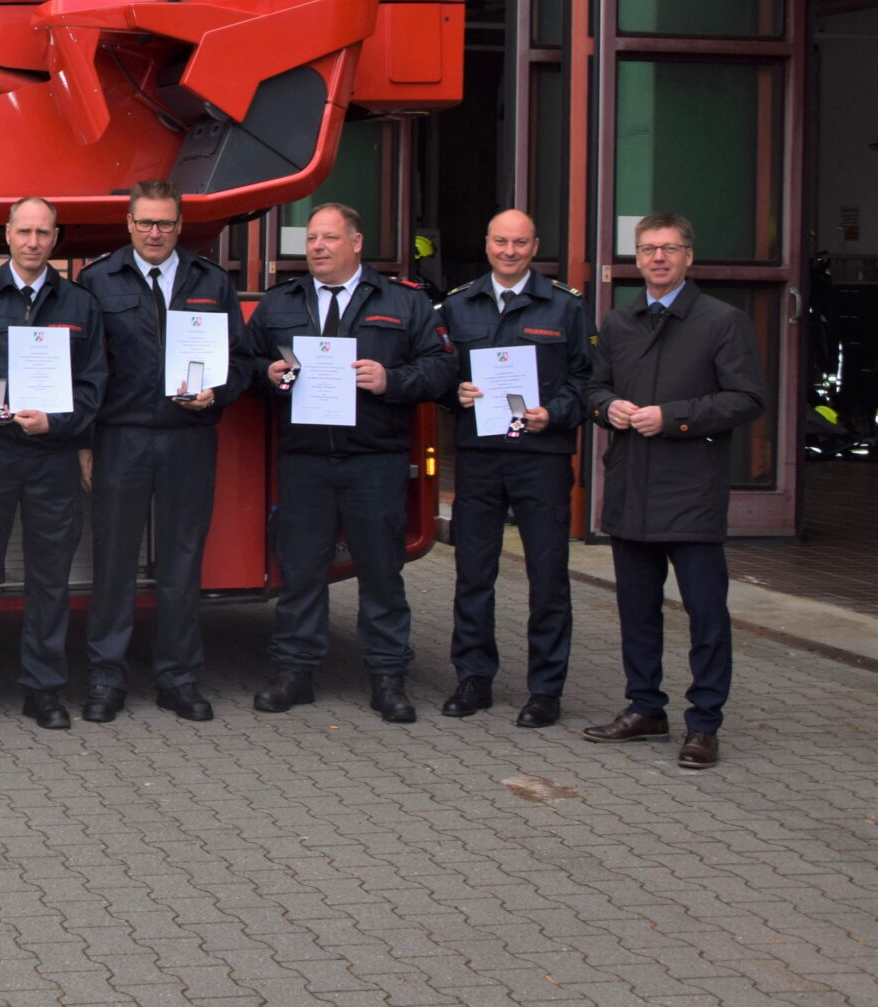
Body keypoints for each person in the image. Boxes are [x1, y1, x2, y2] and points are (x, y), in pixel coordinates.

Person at [256, 202, 455, 723]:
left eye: (329, 238)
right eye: (312, 239)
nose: (318, 247)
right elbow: (242, 361)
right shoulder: (282, 303)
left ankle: (388, 678)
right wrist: (268, 373)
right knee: (301, 572)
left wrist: (393, 380)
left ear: (356, 242)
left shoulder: (403, 303)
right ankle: (294, 673)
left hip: (375, 460)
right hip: (305, 461)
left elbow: (440, 370)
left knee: (381, 572)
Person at [582, 213, 766, 770]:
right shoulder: (618, 322)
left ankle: (704, 724)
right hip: (630, 489)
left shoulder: (722, 322)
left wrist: (674, 418)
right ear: (635, 260)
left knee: (706, 614)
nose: (657, 258)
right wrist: (604, 406)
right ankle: (645, 709)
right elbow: (594, 386)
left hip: (691, 493)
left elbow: (747, 399)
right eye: (647, 250)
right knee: (637, 612)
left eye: (669, 248)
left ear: (689, 256)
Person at [78, 181, 253, 724]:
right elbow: (83, 369)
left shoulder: (211, 281)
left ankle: (178, 678)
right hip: (121, 437)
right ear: (128, 224)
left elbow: (242, 361)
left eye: (166, 224)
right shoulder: (96, 280)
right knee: (113, 563)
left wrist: (217, 393)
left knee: (181, 564)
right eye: (145, 222)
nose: (155, 233)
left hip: (188, 436)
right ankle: (106, 678)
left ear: (180, 227)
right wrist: (83, 442)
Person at [0, 196, 106, 731]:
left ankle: (44, 689)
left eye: (43, 233)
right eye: (24, 232)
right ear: (7, 235)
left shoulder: (80, 305)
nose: (34, 242)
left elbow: (94, 384)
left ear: (55, 239)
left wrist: (59, 424)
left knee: (49, 576)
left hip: (53, 455)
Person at [438, 209, 593, 726]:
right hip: (481, 457)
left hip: (541, 458)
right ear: (487, 244)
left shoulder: (566, 307)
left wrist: (556, 412)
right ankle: (474, 679)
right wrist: (452, 391)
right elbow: (438, 372)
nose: (509, 251)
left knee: (547, 576)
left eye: (520, 243)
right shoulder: (458, 305)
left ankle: (546, 689)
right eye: (501, 241)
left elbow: (587, 380)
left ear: (535, 246)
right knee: (472, 573)